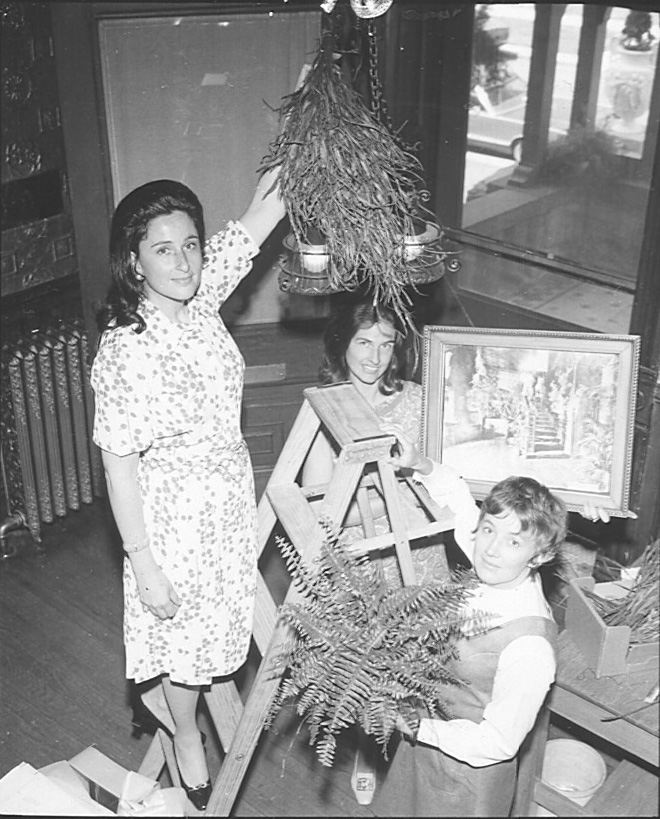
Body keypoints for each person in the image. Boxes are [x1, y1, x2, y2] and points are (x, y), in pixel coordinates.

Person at [91, 168, 284, 811]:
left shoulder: (199, 305)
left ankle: (182, 713)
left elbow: (251, 228)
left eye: (191, 244)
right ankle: (188, 733)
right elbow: (118, 466)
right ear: (134, 261)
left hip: (225, 500)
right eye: (163, 248)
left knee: (210, 639)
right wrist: (143, 564)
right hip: (169, 518)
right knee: (180, 644)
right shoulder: (123, 350)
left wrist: (295, 172)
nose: (184, 260)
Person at [368, 425, 569, 818]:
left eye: (513, 541)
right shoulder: (496, 561)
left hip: (468, 779)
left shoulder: (530, 645)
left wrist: (417, 727)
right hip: (425, 747)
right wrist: (419, 464)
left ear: (541, 555)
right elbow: (459, 501)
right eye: (489, 530)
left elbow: (499, 742)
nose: (490, 549)